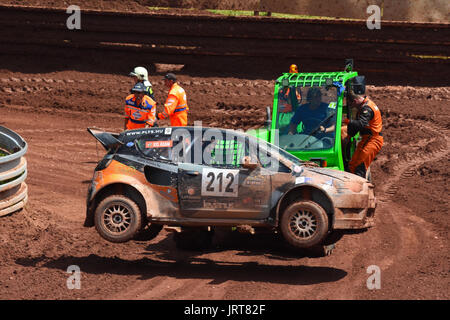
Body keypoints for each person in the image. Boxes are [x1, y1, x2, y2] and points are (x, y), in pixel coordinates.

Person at [344, 91, 383, 178]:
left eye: (351, 104)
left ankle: (361, 189)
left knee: (359, 168)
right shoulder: (363, 106)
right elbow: (357, 127)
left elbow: (361, 124)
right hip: (367, 139)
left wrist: (348, 122)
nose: (352, 107)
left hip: (373, 140)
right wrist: (349, 136)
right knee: (352, 166)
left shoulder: (367, 109)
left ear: (354, 101)